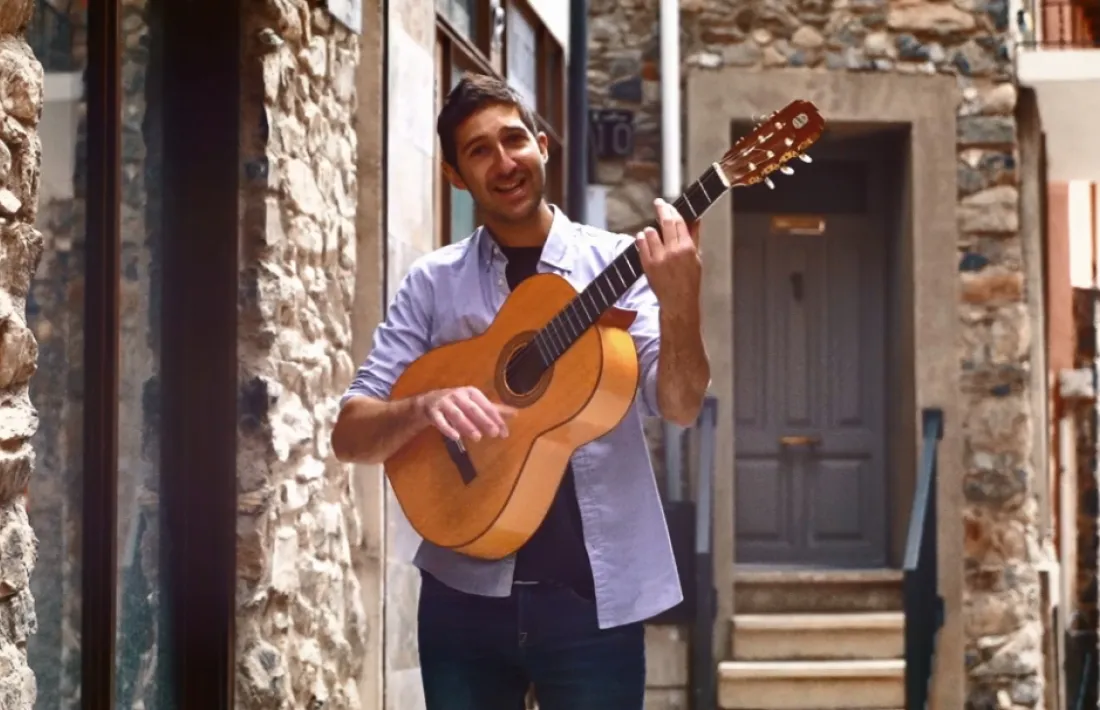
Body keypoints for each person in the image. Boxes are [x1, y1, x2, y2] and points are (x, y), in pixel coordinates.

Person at [331, 73, 711, 710]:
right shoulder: (433, 284)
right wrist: (424, 406)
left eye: (514, 140)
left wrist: (681, 307)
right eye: (479, 150)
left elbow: (679, 404)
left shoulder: (619, 266)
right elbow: (350, 432)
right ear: (455, 175)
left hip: (597, 599)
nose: (503, 161)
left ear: (542, 145)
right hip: (463, 598)